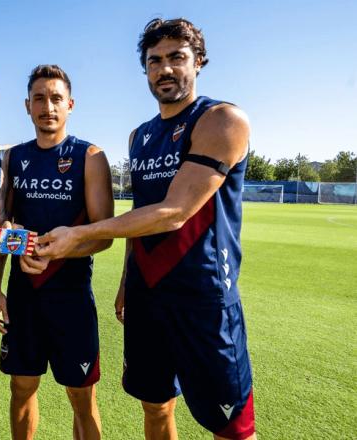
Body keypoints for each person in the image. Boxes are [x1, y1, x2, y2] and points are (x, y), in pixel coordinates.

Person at [37, 19, 256, 440]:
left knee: (232, 429)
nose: (164, 69)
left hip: (204, 297)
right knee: (155, 407)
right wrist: (126, 281)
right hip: (147, 295)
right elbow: (140, 216)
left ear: (199, 62)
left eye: (177, 57)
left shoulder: (222, 119)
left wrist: (81, 234)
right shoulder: (141, 136)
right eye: (154, 61)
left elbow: (174, 212)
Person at [0, 65, 114, 440]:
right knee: (21, 389)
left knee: (80, 394)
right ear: (27, 106)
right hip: (25, 297)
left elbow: (105, 234)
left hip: (72, 297)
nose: (48, 106)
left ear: (70, 104)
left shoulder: (90, 156)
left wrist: (64, 250)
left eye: (56, 98)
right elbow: (3, 223)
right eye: (40, 99)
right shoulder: (12, 157)